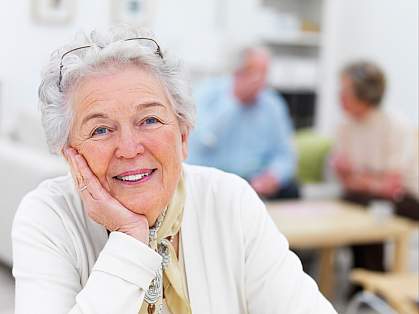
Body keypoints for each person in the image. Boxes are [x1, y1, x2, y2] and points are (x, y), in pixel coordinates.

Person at [12, 26, 336, 314]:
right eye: (100, 130)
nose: (129, 148)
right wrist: (130, 239)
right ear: (70, 154)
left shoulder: (230, 200)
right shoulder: (48, 216)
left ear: (183, 136)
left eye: (150, 120)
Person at [333, 61, 419, 282]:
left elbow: (392, 186)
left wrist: (358, 177)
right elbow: (344, 178)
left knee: (370, 207)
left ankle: (373, 281)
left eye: (345, 90)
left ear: (365, 93)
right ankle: (363, 280)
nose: (339, 95)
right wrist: (370, 180)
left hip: (407, 198)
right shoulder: (345, 127)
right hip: (367, 196)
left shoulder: (395, 125)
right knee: (352, 201)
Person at [187, 47, 299, 200]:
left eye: (264, 73)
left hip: (255, 179)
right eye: (254, 72)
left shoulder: (273, 104)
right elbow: (202, 142)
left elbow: (285, 154)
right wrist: (234, 102)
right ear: (237, 72)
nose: (260, 80)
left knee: (292, 189)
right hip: (216, 179)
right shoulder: (208, 93)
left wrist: (273, 176)